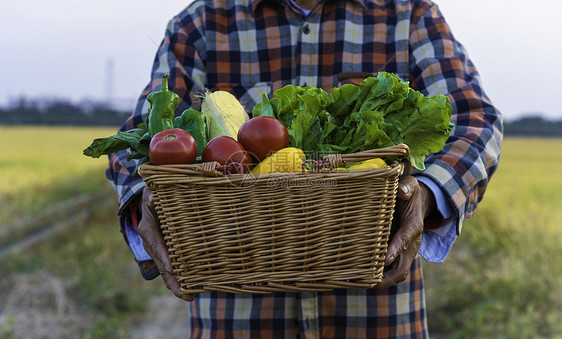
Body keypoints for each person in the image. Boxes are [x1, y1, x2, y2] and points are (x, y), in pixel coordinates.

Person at [107, 0, 502, 337]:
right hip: (234, 319)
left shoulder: (407, 13)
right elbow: (138, 139)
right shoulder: (201, 23)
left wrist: (429, 194)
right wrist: (147, 197)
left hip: (378, 317)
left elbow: (474, 121)